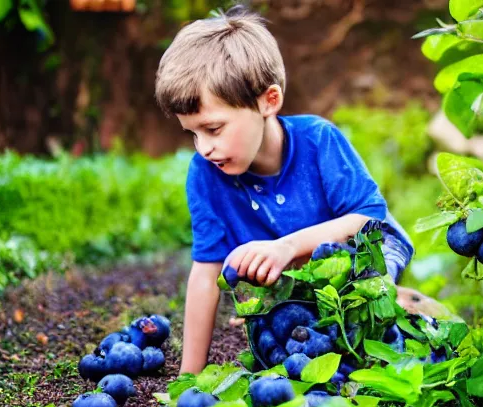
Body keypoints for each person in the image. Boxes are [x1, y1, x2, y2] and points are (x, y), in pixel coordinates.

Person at [155, 5, 414, 375]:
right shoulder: (205, 175)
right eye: (192, 134)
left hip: (362, 251)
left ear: (268, 101)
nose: (203, 147)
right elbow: (205, 273)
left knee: (369, 300)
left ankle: (397, 315)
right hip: (296, 277)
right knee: (276, 347)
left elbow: (368, 218)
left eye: (213, 129)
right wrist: (189, 377)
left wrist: (288, 247)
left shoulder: (318, 141)